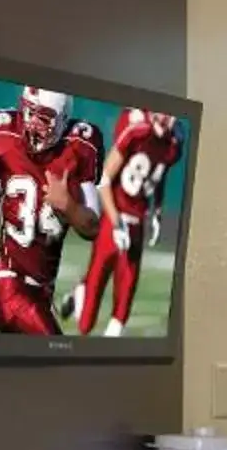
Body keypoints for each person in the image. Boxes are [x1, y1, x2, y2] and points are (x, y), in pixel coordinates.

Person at [0, 88, 101, 334]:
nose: (32, 123)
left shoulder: (79, 147)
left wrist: (68, 205)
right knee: (57, 361)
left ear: (63, 119)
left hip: (43, 293)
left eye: (43, 117)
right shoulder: (4, 135)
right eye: (28, 112)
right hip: (10, 286)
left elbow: (92, 227)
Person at [71, 107, 183, 335]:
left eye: (170, 114)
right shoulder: (136, 131)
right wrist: (115, 222)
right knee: (90, 307)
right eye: (162, 112)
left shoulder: (174, 144)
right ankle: (80, 295)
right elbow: (104, 179)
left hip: (137, 220)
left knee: (125, 299)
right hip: (116, 215)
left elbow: (158, 175)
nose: (164, 117)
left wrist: (157, 212)